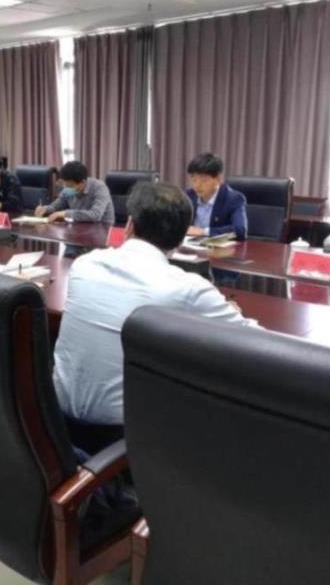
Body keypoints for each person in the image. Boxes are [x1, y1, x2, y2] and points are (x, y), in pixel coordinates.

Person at [52, 181, 257, 455]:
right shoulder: (187, 288)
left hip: (55, 423)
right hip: (125, 438)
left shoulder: (84, 265)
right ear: (182, 239)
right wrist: (233, 312)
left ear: (129, 225)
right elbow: (255, 342)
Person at [184, 152, 248, 240]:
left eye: (203, 181)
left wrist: (203, 231)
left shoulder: (233, 199)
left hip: (217, 247)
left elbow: (240, 230)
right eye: (194, 180)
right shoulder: (188, 196)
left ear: (218, 179)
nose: (197, 186)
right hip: (189, 246)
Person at [34, 161, 115, 224]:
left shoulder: (100, 188)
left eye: (70, 186)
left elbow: (95, 215)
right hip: (79, 228)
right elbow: (56, 206)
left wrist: (65, 213)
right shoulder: (67, 188)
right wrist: (45, 209)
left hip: (103, 229)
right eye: (65, 185)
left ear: (82, 182)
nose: (66, 189)